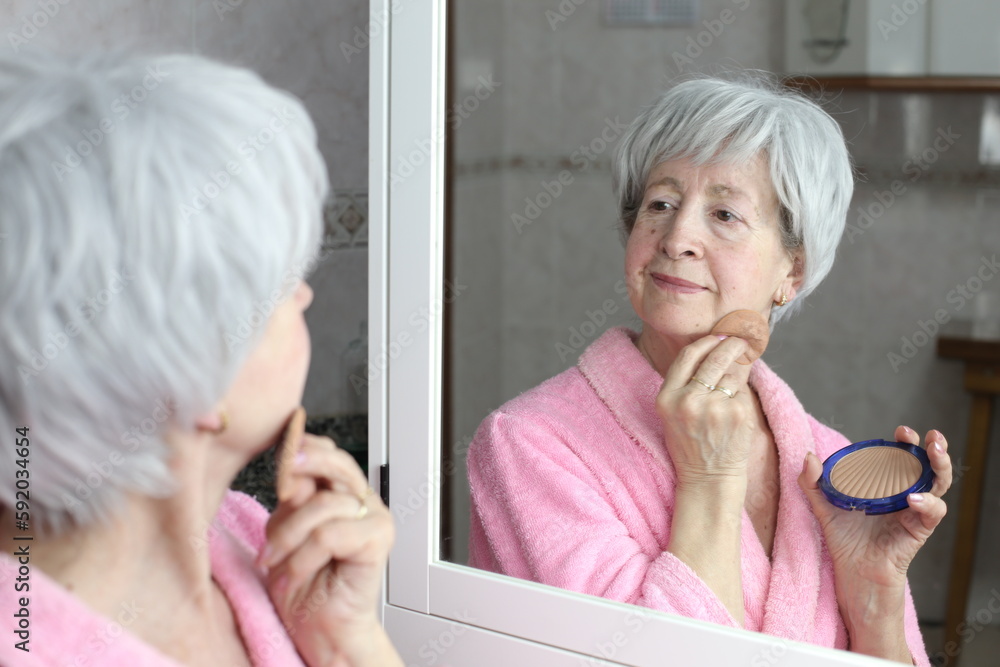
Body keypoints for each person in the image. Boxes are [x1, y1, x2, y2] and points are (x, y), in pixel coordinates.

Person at [467, 74, 951, 665]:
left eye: (724, 213)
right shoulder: (530, 445)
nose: (677, 237)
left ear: (791, 272)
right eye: (661, 204)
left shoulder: (828, 463)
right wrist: (708, 479)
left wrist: (873, 598)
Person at [0, 51, 401, 666]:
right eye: (280, 287)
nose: (306, 294)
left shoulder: (246, 534)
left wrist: (348, 645)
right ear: (191, 381)